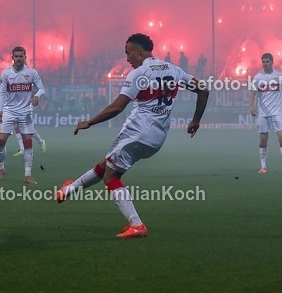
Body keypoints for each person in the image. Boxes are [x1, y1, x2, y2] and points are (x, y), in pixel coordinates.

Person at [57, 33, 208, 239]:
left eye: (128, 53)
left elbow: (118, 107)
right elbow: (203, 90)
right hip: (157, 138)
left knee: (111, 176)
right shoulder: (174, 69)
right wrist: (196, 120)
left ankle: (136, 225)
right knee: (108, 163)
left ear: (137, 51)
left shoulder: (139, 74)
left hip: (137, 131)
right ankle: (68, 190)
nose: (127, 59)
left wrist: (90, 122)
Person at [0, 46, 46, 184]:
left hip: (25, 112)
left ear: (25, 57)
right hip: (9, 111)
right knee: (0, 142)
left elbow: (42, 88)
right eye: (16, 56)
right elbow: (1, 92)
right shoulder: (5, 74)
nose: (18, 59)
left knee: (28, 143)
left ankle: (28, 175)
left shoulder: (31, 73)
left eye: (21, 56)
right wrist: (0, 110)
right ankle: (1, 169)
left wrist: (37, 96)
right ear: (12, 57)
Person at [248, 53, 282, 174]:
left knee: (281, 136)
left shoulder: (280, 76)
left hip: (277, 111)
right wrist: (251, 106)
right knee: (263, 139)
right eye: (263, 62)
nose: (265, 64)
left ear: (272, 62)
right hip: (263, 112)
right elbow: (253, 92)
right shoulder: (257, 77)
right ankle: (263, 167)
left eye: (267, 61)